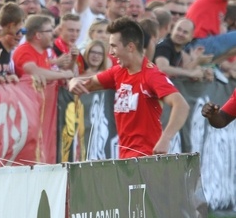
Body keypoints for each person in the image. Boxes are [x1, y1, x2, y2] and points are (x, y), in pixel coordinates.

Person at [69, 18, 188, 157]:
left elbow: (181, 105)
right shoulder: (118, 72)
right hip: (125, 158)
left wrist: (166, 139)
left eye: (114, 46)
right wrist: (74, 81)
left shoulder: (151, 75)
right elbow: (87, 83)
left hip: (146, 158)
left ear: (130, 47)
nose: (111, 53)